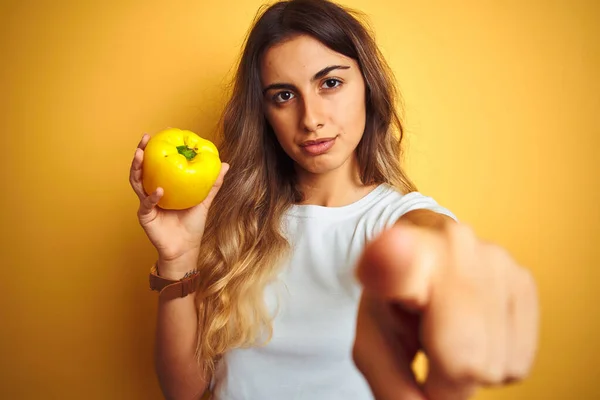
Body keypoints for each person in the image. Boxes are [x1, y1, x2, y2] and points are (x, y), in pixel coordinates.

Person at [128, 0, 539, 399]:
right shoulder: (234, 220)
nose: (311, 118)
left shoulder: (396, 220)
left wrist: (457, 266)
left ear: (368, 88)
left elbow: (432, 242)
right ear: (265, 113)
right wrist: (179, 257)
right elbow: (183, 391)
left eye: (330, 83)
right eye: (284, 96)